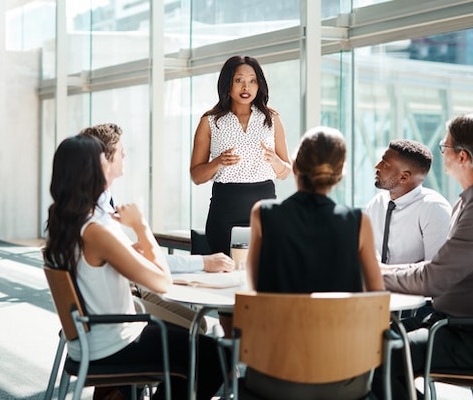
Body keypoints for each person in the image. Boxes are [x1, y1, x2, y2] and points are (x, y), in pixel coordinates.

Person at [43, 134, 225, 400]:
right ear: (91, 171)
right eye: (104, 160)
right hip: (114, 344)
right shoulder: (95, 231)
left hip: (92, 340)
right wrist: (141, 227)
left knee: (195, 347)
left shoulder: (63, 221)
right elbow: (161, 283)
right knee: (215, 355)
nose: (109, 164)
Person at [374, 113, 473, 399]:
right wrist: (379, 270)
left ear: (463, 157)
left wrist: (375, 274)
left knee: (379, 355)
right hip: (451, 325)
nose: (441, 153)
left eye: (445, 147)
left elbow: (434, 279)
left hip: (472, 338)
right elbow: (438, 269)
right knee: (367, 343)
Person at [244, 126, 385, 399]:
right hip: (345, 379)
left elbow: (253, 291)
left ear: (295, 166)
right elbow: (376, 302)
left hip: (271, 375)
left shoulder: (263, 214)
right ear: (339, 173)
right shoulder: (358, 222)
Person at [78, 123, 233, 334]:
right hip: (119, 313)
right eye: (119, 151)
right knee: (198, 332)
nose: (124, 154)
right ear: (103, 159)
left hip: (121, 296)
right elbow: (161, 279)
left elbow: (132, 262)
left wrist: (131, 251)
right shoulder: (97, 223)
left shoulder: (94, 211)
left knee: (201, 324)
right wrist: (141, 225)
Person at [190, 55, 291, 256]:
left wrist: (275, 161)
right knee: (227, 271)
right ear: (227, 84)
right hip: (225, 211)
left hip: (265, 211)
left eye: (252, 81)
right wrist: (218, 162)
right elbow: (196, 176)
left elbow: (285, 171)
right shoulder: (210, 121)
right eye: (239, 80)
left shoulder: (272, 119)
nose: (246, 87)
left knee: (264, 272)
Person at [366, 139, 452, 264]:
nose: (377, 166)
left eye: (385, 164)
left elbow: (437, 272)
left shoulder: (434, 209)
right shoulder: (375, 205)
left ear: (404, 177)